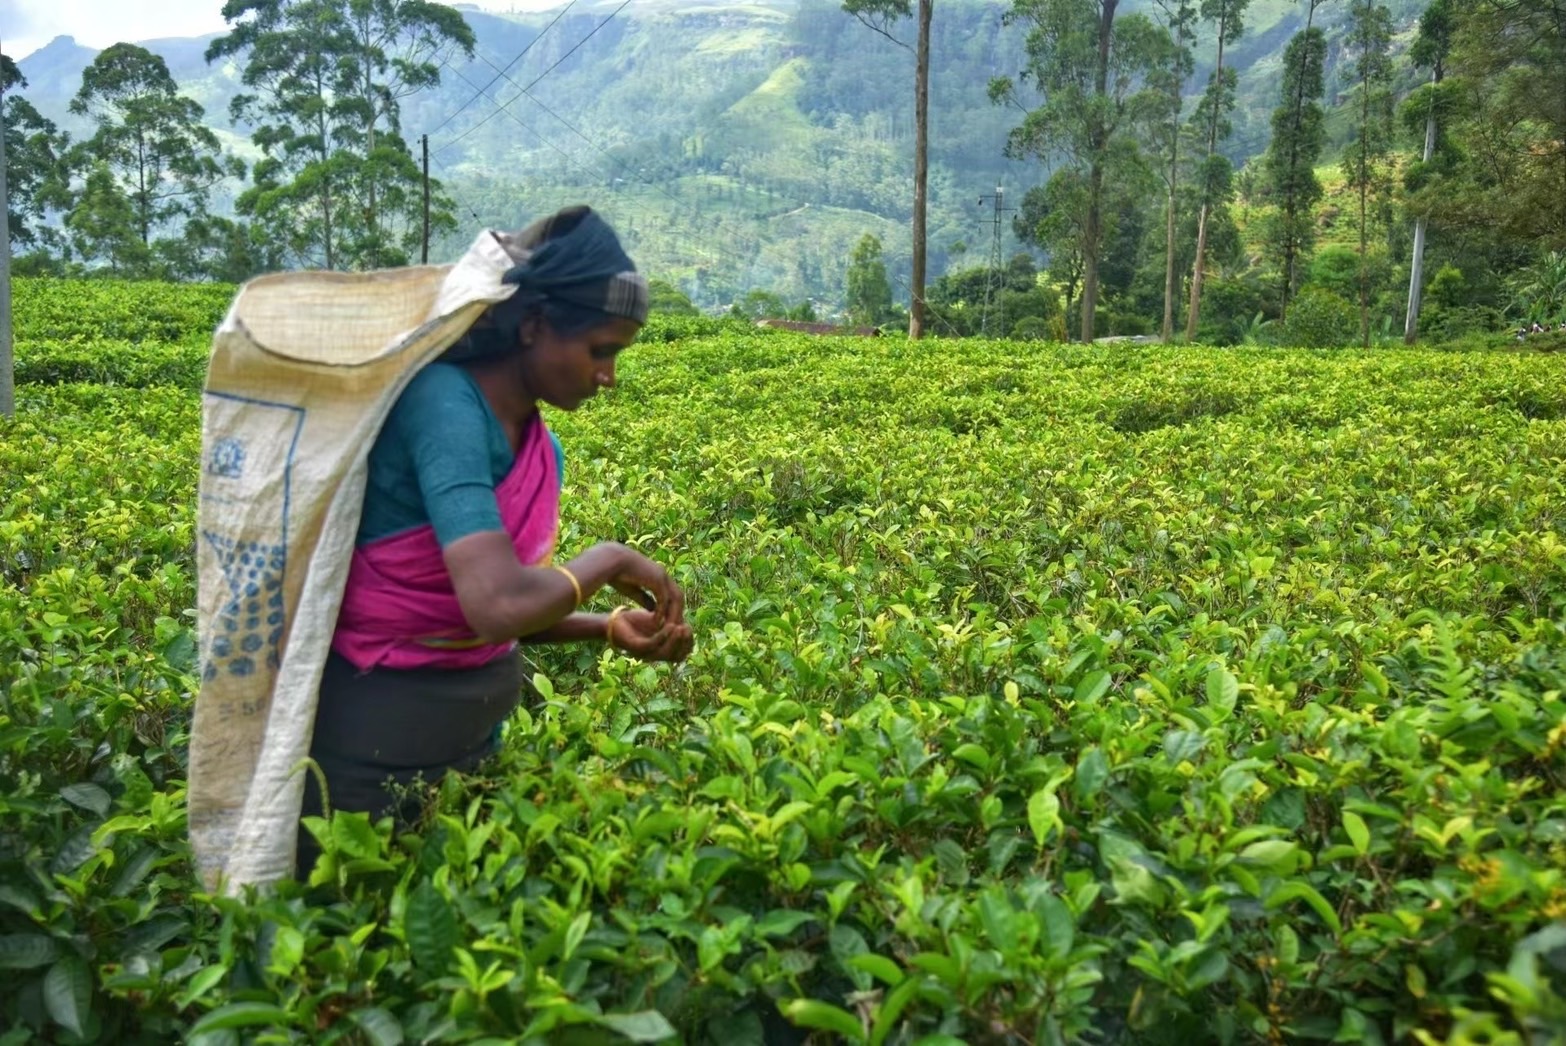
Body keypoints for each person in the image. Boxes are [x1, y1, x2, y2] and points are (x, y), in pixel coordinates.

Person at [297, 206, 694, 877]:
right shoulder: (443, 403)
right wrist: (610, 559)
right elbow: (495, 604)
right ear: (534, 325)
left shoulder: (538, 444)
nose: (609, 376)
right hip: (369, 764)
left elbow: (498, 610)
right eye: (601, 350)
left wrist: (605, 627)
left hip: (473, 751)